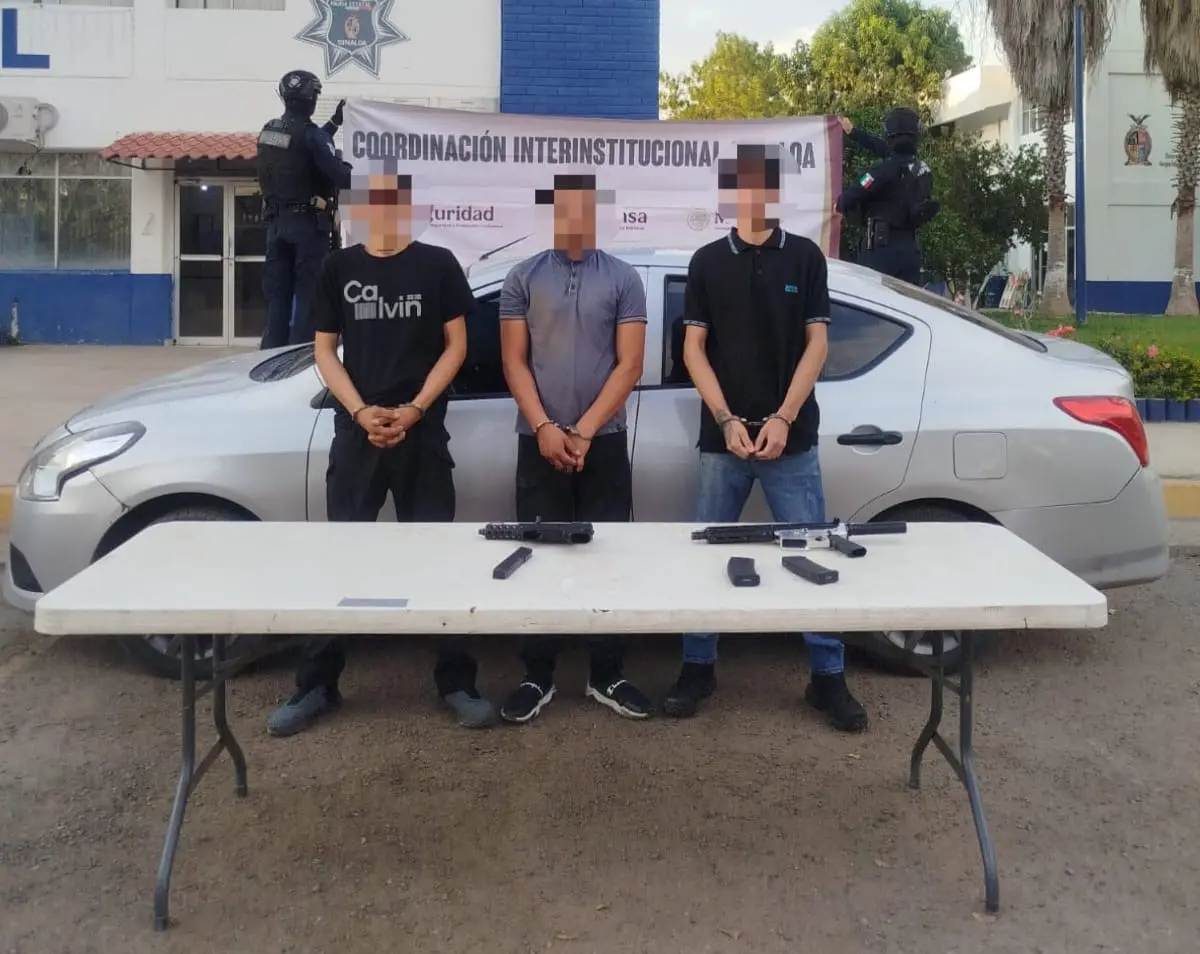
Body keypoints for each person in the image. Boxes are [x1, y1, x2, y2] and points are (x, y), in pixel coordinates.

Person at [266, 171, 496, 737]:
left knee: (440, 559)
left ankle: (456, 682)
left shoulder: (437, 264)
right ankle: (317, 684)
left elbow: (457, 347)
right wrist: (361, 411)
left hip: (423, 434)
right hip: (357, 436)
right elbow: (325, 350)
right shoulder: (338, 268)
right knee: (341, 561)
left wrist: (415, 408)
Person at [662, 144, 869, 733]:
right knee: (708, 555)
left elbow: (817, 346)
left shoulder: (804, 257)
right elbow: (693, 350)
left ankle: (827, 677)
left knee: (810, 556)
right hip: (722, 441)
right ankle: (697, 668)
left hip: (791, 441)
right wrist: (727, 419)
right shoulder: (706, 261)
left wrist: (782, 418)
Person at [496, 173, 652, 724]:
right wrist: (544, 426)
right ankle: (537, 674)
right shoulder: (522, 277)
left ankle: (606, 673)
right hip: (537, 440)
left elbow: (630, 365)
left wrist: (583, 430)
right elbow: (513, 360)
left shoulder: (624, 278)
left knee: (605, 557)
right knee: (537, 556)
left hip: (602, 442)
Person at [257, 70, 354, 350]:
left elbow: (302, 145)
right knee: (308, 297)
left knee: (278, 300)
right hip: (307, 229)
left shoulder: (269, 131)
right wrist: (344, 165)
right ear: (311, 99)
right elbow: (342, 178)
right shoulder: (311, 136)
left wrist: (334, 122)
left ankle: (271, 357)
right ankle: (298, 359)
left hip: (276, 226)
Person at [834, 107, 939, 285]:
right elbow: (888, 151)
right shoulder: (922, 170)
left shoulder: (882, 171)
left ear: (889, 134)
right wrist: (853, 132)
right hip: (910, 250)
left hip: (881, 252)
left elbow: (850, 196)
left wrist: (839, 205)